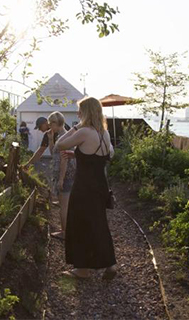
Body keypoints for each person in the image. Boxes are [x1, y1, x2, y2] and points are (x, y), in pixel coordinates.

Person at [55, 96, 117, 280]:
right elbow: (102, 157)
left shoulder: (84, 132)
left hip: (84, 187)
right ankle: (110, 264)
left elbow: (59, 144)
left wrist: (75, 127)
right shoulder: (103, 134)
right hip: (100, 186)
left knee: (78, 225)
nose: (77, 114)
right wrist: (78, 155)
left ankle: (82, 269)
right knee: (99, 225)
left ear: (86, 113)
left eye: (80, 111)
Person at [45, 112, 76, 241]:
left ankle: (64, 232)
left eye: (50, 123)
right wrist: (51, 139)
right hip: (62, 174)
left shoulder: (65, 137)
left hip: (65, 175)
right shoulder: (61, 136)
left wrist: (61, 179)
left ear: (56, 123)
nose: (49, 126)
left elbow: (65, 159)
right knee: (64, 204)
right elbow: (53, 153)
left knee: (64, 206)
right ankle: (66, 229)